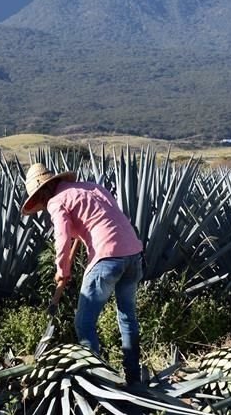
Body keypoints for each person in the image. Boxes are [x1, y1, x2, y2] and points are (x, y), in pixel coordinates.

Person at [22, 163, 144, 385]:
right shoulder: (92, 188)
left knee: (84, 323)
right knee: (127, 317)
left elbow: (62, 238)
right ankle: (134, 379)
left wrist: (62, 270)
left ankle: (97, 381)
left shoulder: (56, 201)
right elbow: (107, 218)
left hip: (107, 258)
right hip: (134, 255)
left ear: (44, 191)